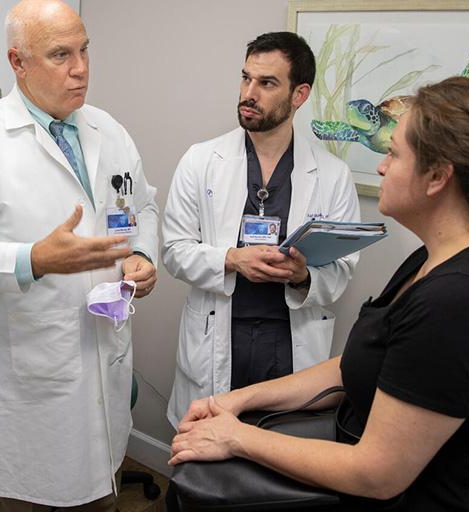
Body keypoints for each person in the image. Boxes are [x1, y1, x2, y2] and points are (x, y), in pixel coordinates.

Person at [169, 77, 469, 511]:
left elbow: (376, 473)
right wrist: (236, 400)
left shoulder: (468, 299)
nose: (381, 166)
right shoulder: (436, 260)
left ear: (437, 177)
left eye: (394, 154)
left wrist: (238, 436)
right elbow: (363, 364)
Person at [0, 0, 159, 510]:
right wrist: (34, 259)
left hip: (105, 357)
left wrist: (142, 254)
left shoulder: (108, 129)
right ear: (17, 62)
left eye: (84, 49)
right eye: (60, 54)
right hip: (29, 388)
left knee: (103, 492)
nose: (81, 68)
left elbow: (143, 205)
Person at [162, 32, 360, 427]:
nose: (248, 93)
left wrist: (303, 276)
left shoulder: (334, 176)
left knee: (281, 460)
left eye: (266, 83)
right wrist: (231, 259)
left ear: (299, 94)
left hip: (290, 342)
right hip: (218, 333)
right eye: (245, 78)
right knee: (204, 456)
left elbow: (343, 270)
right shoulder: (201, 160)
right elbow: (173, 250)